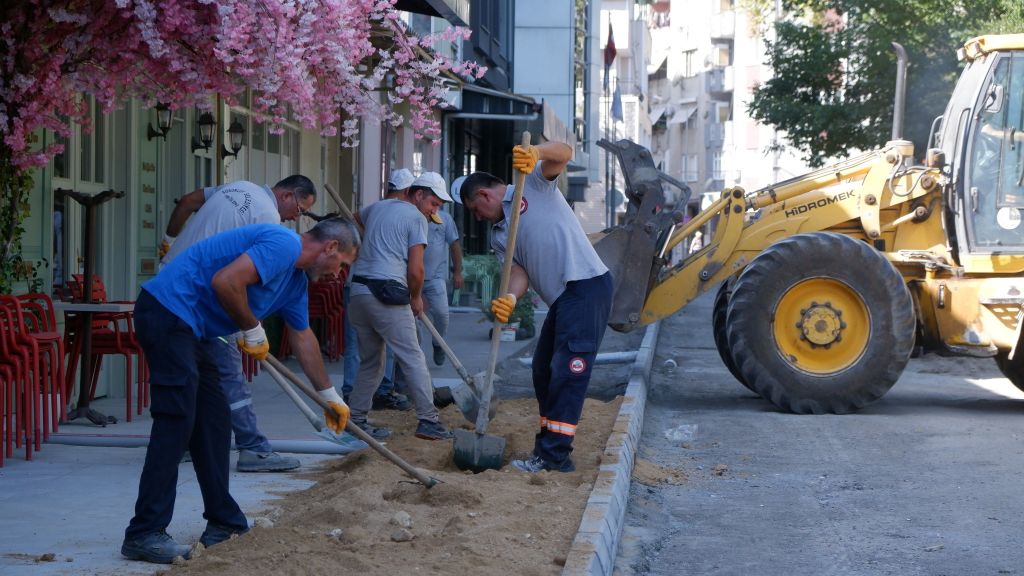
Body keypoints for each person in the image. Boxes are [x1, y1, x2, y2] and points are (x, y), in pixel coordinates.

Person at [121, 218, 360, 564]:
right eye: (343, 265)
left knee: (215, 422)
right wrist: (253, 327)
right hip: (168, 310)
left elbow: (303, 337)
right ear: (331, 247)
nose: (339, 274)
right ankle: (144, 532)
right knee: (177, 419)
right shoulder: (284, 244)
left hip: (195, 329)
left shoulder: (295, 283)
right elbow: (226, 281)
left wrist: (329, 397)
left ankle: (223, 523)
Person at [458, 142, 613, 473]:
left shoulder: (534, 185)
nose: (477, 217)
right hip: (563, 298)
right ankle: (548, 444)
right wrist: (511, 299)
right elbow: (517, 272)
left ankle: (555, 456)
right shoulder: (499, 235)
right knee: (543, 369)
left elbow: (565, 152)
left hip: (585, 285)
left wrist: (536, 151)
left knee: (568, 370)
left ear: (485, 196)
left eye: (474, 209)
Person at [159, 176, 317, 473]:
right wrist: (249, 325)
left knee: (193, 372)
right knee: (229, 374)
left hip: (171, 282)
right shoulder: (269, 218)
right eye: (300, 207)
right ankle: (252, 449)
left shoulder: (240, 187)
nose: (298, 216)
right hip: (199, 293)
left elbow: (188, 201)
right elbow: (234, 277)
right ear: (288, 195)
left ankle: (183, 443)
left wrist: (169, 241)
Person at [347, 171, 455, 441]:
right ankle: (429, 421)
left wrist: (375, 241)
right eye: (433, 204)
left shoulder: (378, 207)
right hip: (386, 292)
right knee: (413, 356)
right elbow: (416, 269)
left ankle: (357, 419)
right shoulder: (417, 218)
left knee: (372, 361)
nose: (433, 211)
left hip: (358, 291)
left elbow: (356, 218)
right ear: (418, 194)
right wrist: (416, 297)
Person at [342, 168, 415, 412]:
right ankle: (362, 393)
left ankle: (367, 394)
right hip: (371, 286)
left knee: (369, 348)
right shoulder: (395, 212)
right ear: (407, 192)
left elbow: (354, 219)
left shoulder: (379, 210)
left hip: (365, 286)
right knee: (369, 348)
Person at [422, 188, 463, 366]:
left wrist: (458, 272)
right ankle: (411, 364)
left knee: (442, 314)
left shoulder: (444, 219)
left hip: (435, 277)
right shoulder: (413, 217)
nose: (435, 206)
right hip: (407, 277)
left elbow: (454, 245)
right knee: (410, 323)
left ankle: (438, 343)